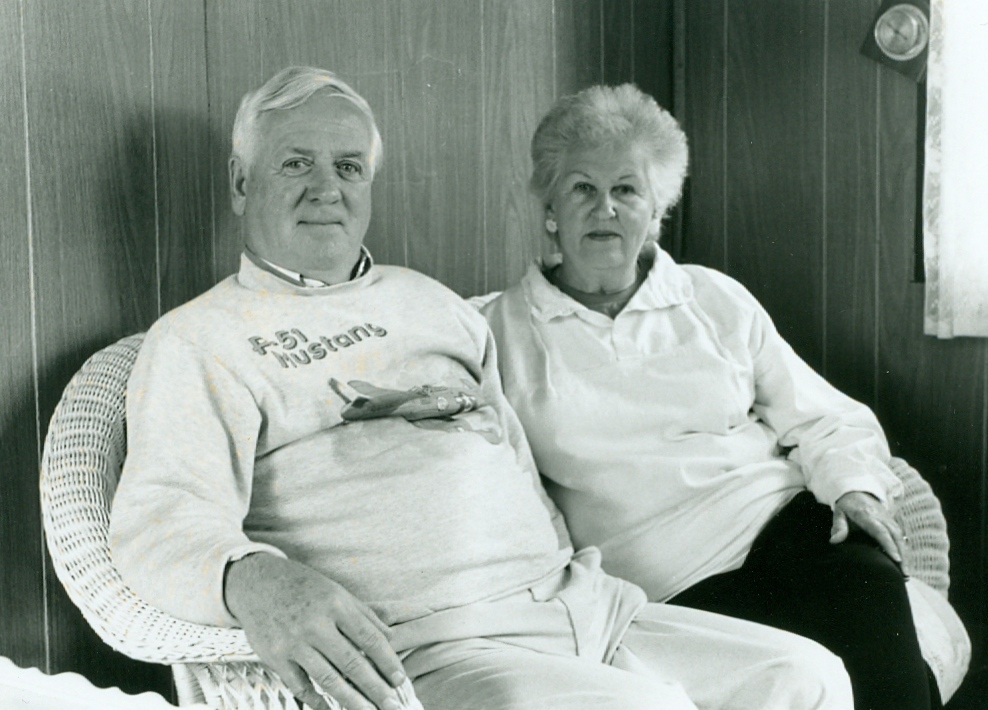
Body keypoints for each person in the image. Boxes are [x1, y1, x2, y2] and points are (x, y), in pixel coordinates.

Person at [109, 66, 854, 710]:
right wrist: (252, 581)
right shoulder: (200, 339)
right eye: (295, 164)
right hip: (435, 649)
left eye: (347, 167)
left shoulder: (428, 300)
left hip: (583, 608)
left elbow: (510, 453)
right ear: (243, 182)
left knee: (806, 678)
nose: (325, 190)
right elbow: (158, 521)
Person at [481, 83, 940, 710]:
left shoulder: (712, 298)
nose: (605, 210)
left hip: (784, 530)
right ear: (550, 206)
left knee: (865, 587)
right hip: (666, 585)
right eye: (582, 188)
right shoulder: (496, 331)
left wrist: (854, 486)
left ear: (656, 209)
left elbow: (824, 416)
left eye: (626, 190)